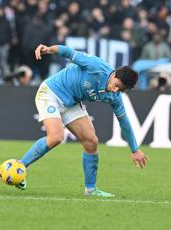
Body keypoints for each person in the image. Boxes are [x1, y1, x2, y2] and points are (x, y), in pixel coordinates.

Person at [13, 44, 148, 197]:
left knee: (91, 141)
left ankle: (90, 190)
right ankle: (18, 169)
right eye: (117, 85)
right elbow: (69, 52)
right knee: (56, 137)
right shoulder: (96, 66)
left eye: (121, 89)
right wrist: (49, 50)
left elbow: (124, 122)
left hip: (71, 102)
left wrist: (135, 149)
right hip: (51, 92)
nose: (116, 90)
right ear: (115, 74)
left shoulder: (114, 96)